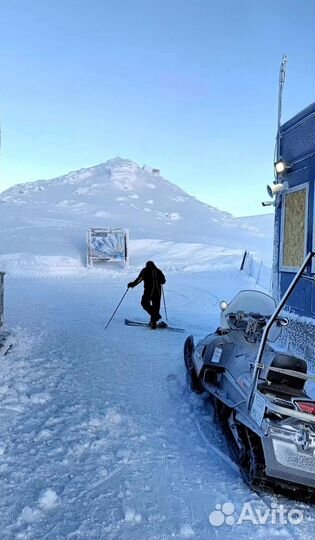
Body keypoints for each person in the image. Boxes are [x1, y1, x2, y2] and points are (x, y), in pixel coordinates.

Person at [128, 261, 166, 329]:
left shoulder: (145, 271)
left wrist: (132, 284)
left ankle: (155, 316)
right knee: (156, 306)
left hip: (148, 291)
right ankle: (153, 321)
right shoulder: (158, 271)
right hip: (157, 292)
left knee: (144, 303)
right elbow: (163, 281)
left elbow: (139, 279)